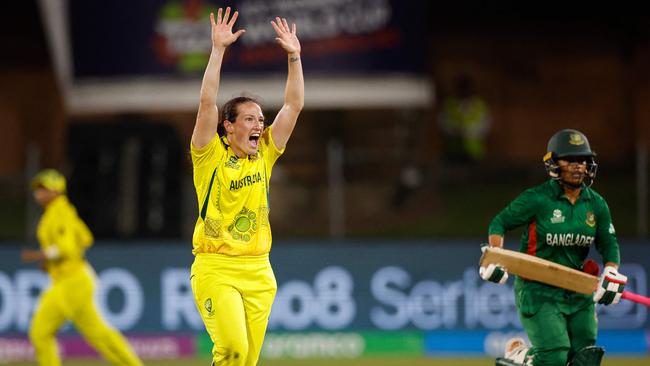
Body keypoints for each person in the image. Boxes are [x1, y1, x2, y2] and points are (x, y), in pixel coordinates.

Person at [189, 7, 303, 366]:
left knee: (246, 361)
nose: (259, 125)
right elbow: (207, 102)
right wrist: (218, 50)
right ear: (229, 126)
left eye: (261, 119)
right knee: (233, 350)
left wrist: (295, 57)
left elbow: (294, 105)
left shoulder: (265, 153)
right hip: (216, 267)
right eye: (250, 119)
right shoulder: (208, 156)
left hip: (260, 271)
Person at [480, 129, 627, 366]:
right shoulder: (537, 198)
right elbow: (499, 223)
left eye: (583, 160)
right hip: (538, 288)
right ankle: (523, 358)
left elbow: (609, 243)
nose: (578, 166)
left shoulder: (597, 204)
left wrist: (611, 270)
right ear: (553, 163)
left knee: (585, 357)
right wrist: (495, 257)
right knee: (555, 356)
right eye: (570, 160)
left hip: (577, 287)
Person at [22, 169, 143, 366]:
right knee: (99, 335)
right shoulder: (62, 212)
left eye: (43, 188)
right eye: (37, 189)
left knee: (40, 332)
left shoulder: (59, 212)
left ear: (56, 191)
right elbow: (85, 237)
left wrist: (40, 255)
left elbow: (66, 247)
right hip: (76, 280)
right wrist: (50, 261)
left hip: (71, 282)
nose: (38, 193)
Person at [437, 75, 491, 163]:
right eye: (462, 88)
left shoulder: (479, 105)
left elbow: (485, 126)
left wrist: (468, 131)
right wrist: (455, 130)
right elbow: (442, 124)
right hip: (452, 151)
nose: (465, 91)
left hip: (474, 152)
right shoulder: (449, 104)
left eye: (467, 88)